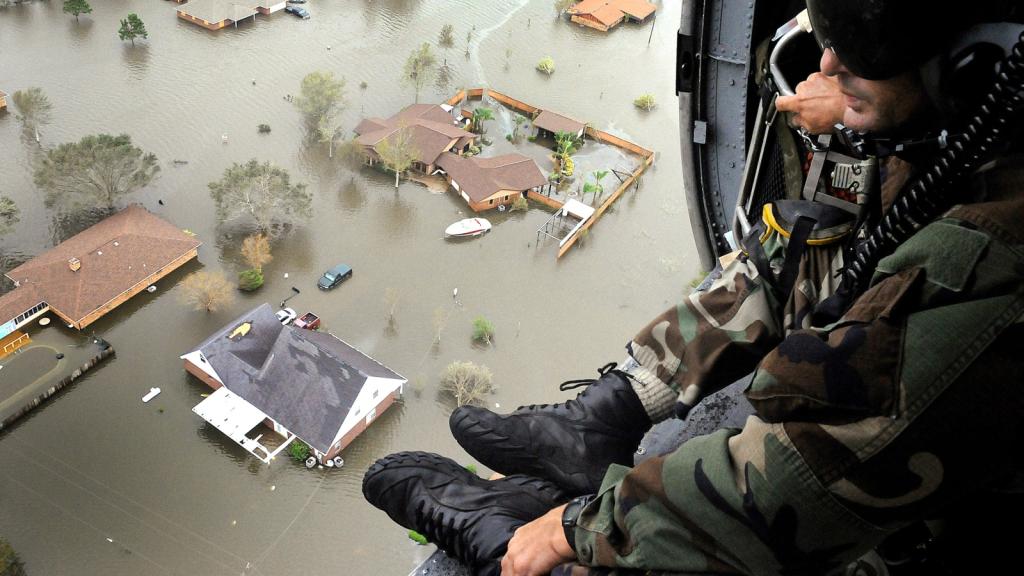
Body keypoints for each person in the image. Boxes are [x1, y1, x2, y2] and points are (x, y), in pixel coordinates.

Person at [363, 1, 1024, 575]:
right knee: (807, 234)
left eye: (861, 55)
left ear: (979, 65)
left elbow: (792, 488)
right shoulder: (978, 133)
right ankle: (605, 418)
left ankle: (514, 537)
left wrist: (573, 531)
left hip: (932, 531)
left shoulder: (997, 256)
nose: (824, 67)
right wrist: (876, 116)